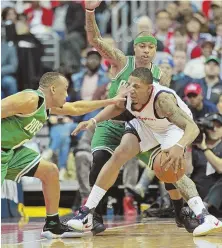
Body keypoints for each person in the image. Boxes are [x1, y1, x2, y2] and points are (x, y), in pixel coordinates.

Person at [68, 67, 222, 237]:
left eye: (137, 87)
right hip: (147, 125)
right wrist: (94, 120)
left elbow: (192, 128)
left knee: (170, 169)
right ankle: (87, 213)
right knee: (119, 154)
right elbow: (118, 108)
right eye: (131, 85)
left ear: (149, 88)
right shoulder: (128, 92)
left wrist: (179, 146)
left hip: (172, 127)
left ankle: (205, 216)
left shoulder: (163, 100)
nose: (132, 90)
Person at [81, 0, 191, 236]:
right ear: (134, 48)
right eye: (141, 46)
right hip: (112, 123)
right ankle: (95, 216)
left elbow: (161, 107)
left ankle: (180, 211)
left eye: (150, 47)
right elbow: (95, 40)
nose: (146, 51)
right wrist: (90, 12)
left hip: (141, 126)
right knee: (98, 162)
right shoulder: (122, 61)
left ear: (155, 50)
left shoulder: (162, 73)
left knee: (166, 165)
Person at [1, 72, 125, 239]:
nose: (67, 94)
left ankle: (52, 225)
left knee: (50, 171)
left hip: (11, 151)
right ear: (53, 89)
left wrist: (111, 101)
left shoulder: (44, 106)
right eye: (65, 89)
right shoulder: (30, 99)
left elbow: (76, 108)